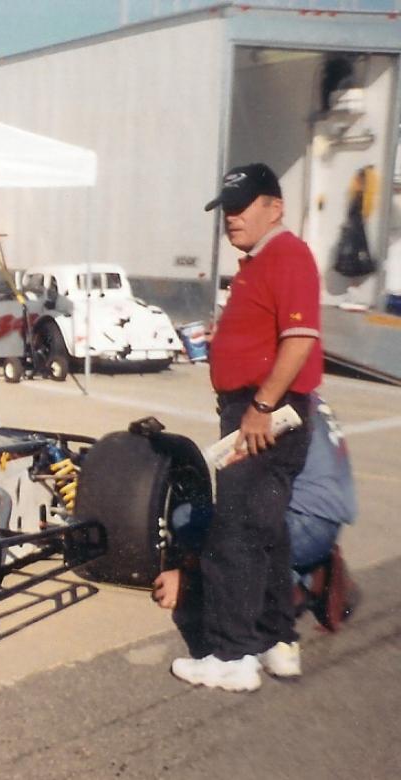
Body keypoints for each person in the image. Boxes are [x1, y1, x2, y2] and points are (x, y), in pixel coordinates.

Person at [170, 162, 325, 692]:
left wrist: (260, 405)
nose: (231, 218)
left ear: (275, 207)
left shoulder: (287, 255)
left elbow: (299, 339)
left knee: (234, 533)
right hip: (258, 408)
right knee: (266, 531)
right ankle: (276, 641)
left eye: (241, 207)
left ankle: (231, 656)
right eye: (226, 210)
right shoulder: (260, 261)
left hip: (264, 414)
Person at [153, 393, 359, 658]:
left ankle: (301, 582)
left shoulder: (267, 405)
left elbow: (241, 508)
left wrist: (192, 579)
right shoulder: (305, 397)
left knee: (187, 517)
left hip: (301, 523)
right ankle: (305, 573)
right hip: (324, 523)